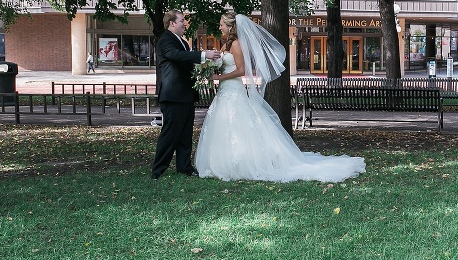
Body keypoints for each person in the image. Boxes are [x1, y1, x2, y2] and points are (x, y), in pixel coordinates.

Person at [194, 13, 365, 182]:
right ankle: (224, 161)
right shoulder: (227, 45)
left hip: (233, 89)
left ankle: (241, 163)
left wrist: (218, 78)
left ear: (230, 26)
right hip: (225, 91)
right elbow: (222, 63)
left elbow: (241, 70)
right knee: (224, 124)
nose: (219, 27)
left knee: (237, 123)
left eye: (221, 24)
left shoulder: (237, 45)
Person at [151, 10, 218, 179]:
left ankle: (184, 168)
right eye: (181, 21)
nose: (184, 24)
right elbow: (176, 56)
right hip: (173, 96)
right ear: (172, 23)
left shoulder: (183, 42)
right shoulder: (165, 40)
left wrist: (203, 70)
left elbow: (185, 62)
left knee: (185, 134)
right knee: (170, 133)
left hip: (186, 95)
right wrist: (204, 55)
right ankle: (158, 170)